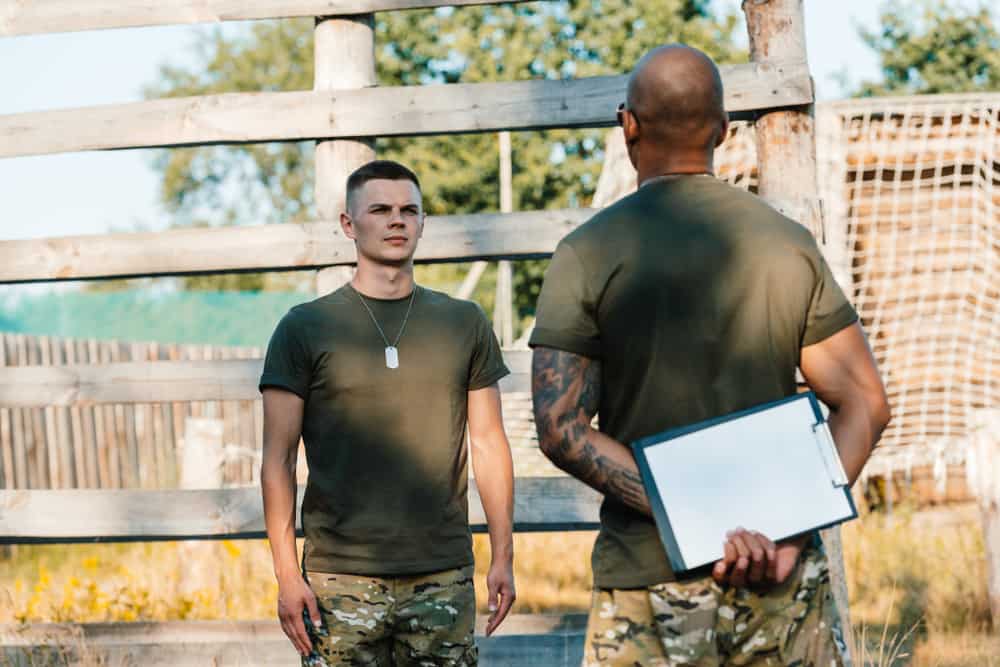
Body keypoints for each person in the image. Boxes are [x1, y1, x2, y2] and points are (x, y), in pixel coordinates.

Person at [529, 45, 891, 666]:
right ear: (724, 130)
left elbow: (561, 428)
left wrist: (698, 520)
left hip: (647, 582)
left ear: (628, 125)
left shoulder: (586, 253)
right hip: (780, 582)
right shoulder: (786, 243)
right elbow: (866, 404)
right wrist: (786, 533)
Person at [260, 160, 516, 666]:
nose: (397, 221)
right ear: (348, 225)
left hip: (442, 575)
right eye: (380, 209)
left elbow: (488, 443)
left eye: (409, 210)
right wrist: (288, 575)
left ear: (423, 223)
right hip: (340, 579)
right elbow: (277, 460)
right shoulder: (304, 327)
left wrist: (503, 554)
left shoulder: (463, 322)